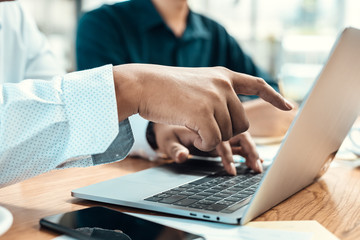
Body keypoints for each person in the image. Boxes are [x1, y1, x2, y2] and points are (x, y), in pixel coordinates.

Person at [0, 1, 293, 187]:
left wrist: (154, 129)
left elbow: (59, 119)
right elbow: (76, 107)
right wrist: (132, 87)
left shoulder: (15, 16)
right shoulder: (102, 23)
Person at [76, 0, 297, 175]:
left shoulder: (215, 34)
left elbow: (277, 107)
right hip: (122, 179)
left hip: (209, 173)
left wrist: (198, 121)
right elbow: (96, 116)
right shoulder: (102, 25)